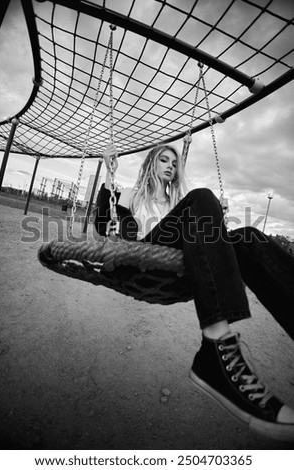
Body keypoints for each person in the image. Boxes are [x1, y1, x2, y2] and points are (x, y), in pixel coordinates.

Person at [94, 143, 294, 441]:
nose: (170, 166)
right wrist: (110, 177)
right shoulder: (130, 194)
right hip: (142, 260)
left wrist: (216, 221)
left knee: (249, 237)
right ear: (151, 163)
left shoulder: (176, 200)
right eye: (164, 159)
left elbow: (197, 232)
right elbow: (102, 226)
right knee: (201, 196)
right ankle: (215, 347)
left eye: (174, 163)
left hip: (178, 264)